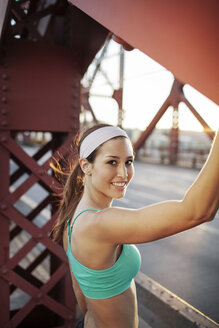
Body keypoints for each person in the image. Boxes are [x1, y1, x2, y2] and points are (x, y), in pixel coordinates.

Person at [51, 123, 219, 328]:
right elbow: (197, 212)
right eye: (112, 162)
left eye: (129, 161)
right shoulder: (99, 224)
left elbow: (81, 294)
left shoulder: (73, 218)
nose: (123, 173)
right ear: (86, 166)